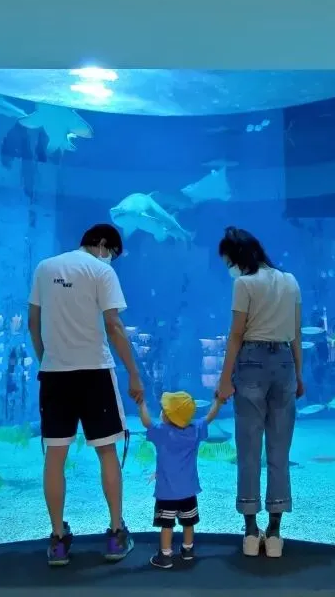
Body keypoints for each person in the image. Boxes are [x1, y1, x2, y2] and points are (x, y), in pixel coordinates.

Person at [28, 223, 144, 566]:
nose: (111, 260)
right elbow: (114, 325)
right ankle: (116, 534)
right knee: (107, 451)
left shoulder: (45, 267)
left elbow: (33, 321)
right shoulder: (101, 271)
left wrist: (46, 359)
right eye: (112, 255)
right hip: (95, 373)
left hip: (54, 375)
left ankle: (57, 540)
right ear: (103, 245)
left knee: (55, 456)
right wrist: (133, 373)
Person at [215, 226, 304, 559]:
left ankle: (251, 532)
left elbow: (236, 334)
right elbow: (296, 333)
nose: (228, 268)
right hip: (284, 363)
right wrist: (299, 374)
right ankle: (276, 533)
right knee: (279, 450)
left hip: (251, 362)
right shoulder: (290, 281)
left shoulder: (244, 284)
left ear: (237, 257)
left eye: (228, 261)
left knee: (249, 449)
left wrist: (225, 379)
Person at [137, 391, 222, 569]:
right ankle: (188, 550)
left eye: (164, 409)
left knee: (167, 525)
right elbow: (209, 418)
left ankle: (165, 555)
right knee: (188, 522)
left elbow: (146, 423)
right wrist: (218, 401)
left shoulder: (161, 432)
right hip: (189, 491)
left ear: (168, 416)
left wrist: (141, 403)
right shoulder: (195, 430)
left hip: (166, 493)